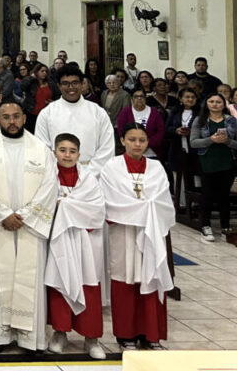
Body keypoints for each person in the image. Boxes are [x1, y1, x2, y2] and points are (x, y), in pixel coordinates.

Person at [0, 102, 58, 354]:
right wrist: (3, 215)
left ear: (24, 118)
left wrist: (24, 216)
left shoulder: (40, 148)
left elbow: (50, 186)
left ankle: (30, 339)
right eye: (6, 117)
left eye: (16, 116)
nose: (12, 121)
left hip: (29, 226)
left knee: (30, 280)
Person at [100, 123, 175, 350]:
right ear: (122, 141)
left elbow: (162, 200)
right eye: (132, 139)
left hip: (150, 233)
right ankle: (126, 335)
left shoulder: (156, 168)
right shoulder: (112, 167)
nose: (137, 144)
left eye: (142, 140)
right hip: (124, 231)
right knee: (125, 280)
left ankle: (151, 334)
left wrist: (143, 209)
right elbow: (110, 200)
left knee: (151, 276)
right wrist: (142, 208)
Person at [45, 133, 106, 359]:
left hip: (85, 242)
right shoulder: (47, 177)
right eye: (62, 150)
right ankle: (59, 333)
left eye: (72, 151)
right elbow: (42, 204)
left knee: (88, 287)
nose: (67, 155)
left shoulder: (89, 179)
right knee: (59, 282)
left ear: (79, 155)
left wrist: (65, 206)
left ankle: (92, 338)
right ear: (54, 152)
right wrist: (68, 208)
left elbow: (97, 210)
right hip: (58, 239)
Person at [35, 64, 115, 175]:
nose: (71, 87)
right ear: (58, 86)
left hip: (92, 177)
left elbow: (107, 148)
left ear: (82, 84)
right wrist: (61, 173)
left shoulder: (98, 112)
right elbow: (42, 148)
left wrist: (87, 175)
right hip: (57, 176)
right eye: (65, 83)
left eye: (75, 83)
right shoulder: (47, 113)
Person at [188, 92, 237, 242]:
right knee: (207, 195)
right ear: (206, 104)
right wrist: (211, 140)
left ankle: (225, 226)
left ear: (224, 104)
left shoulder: (231, 121)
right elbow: (193, 142)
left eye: (218, 102)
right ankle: (205, 226)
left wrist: (227, 141)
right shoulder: (200, 120)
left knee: (224, 195)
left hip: (227, 160)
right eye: (212, 101)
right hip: (207, 161)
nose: (215, 104)